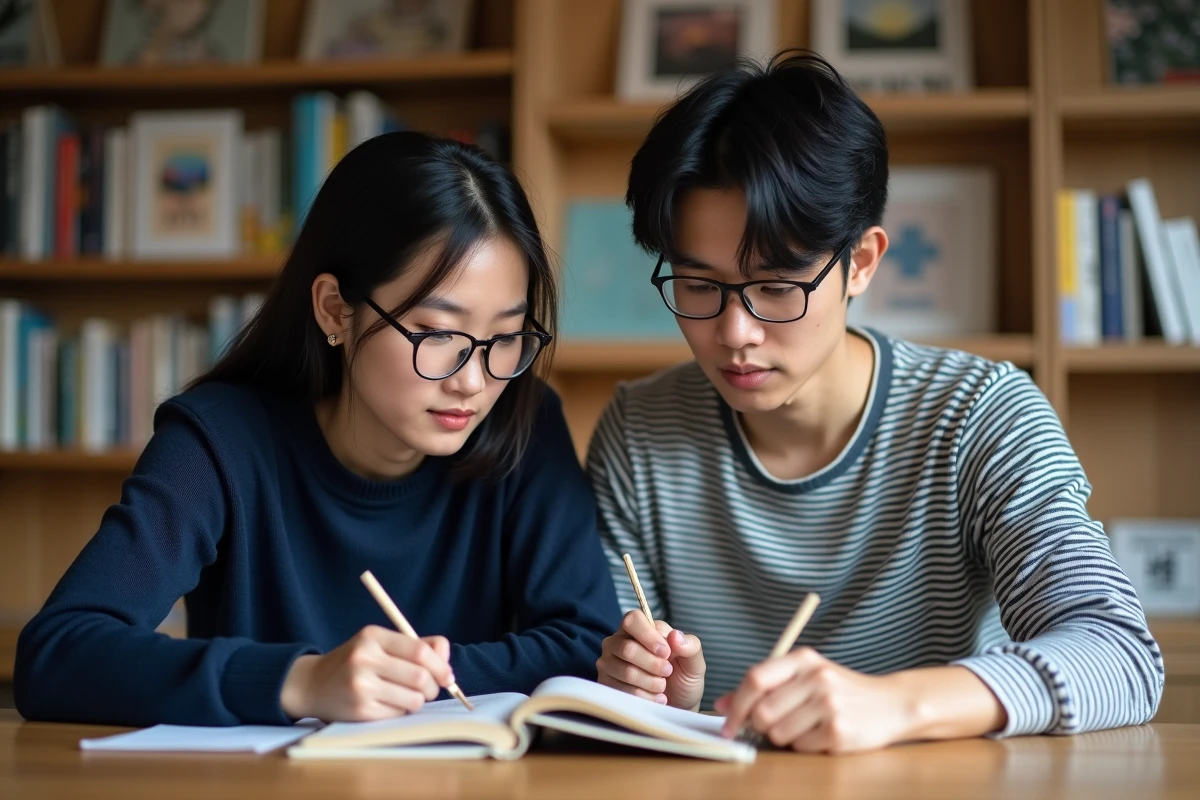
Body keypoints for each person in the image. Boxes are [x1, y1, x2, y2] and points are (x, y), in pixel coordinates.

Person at [591, 50, 1163, 753]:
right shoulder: (638, 431)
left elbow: (1122, 657)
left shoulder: (980, 415)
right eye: (698, 285)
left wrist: (896, 704)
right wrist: (665, 698)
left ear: (860, 262)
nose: (733, 334)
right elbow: (631, 689)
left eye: (776, 287)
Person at [15, 131, 620, 727]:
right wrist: (301, 680)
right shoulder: (221, 439)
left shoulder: (525, 419)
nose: (474, 381)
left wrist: (404, 679)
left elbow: (587, 646)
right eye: (439, 334)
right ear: (336, 309)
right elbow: (57, 653)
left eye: (504, 337)